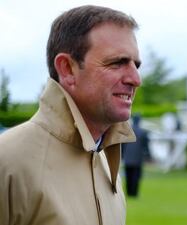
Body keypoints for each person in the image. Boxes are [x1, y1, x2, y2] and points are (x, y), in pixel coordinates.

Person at [0, 5, 141, 225]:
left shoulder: (105, 160)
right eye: (117, 63)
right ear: (67, 69)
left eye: (136, 65)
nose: (135, 79)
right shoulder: (7, 160)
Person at [122, 114, 151, 197]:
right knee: (136, 176)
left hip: (128, 158)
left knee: (128, 176)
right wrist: (148, 156)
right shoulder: (143, 132)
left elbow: (123, 144)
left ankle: (128, 192)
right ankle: (134, 193)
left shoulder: (127, 130)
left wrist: (122, 155)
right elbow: (146, 146)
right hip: (138, 158)